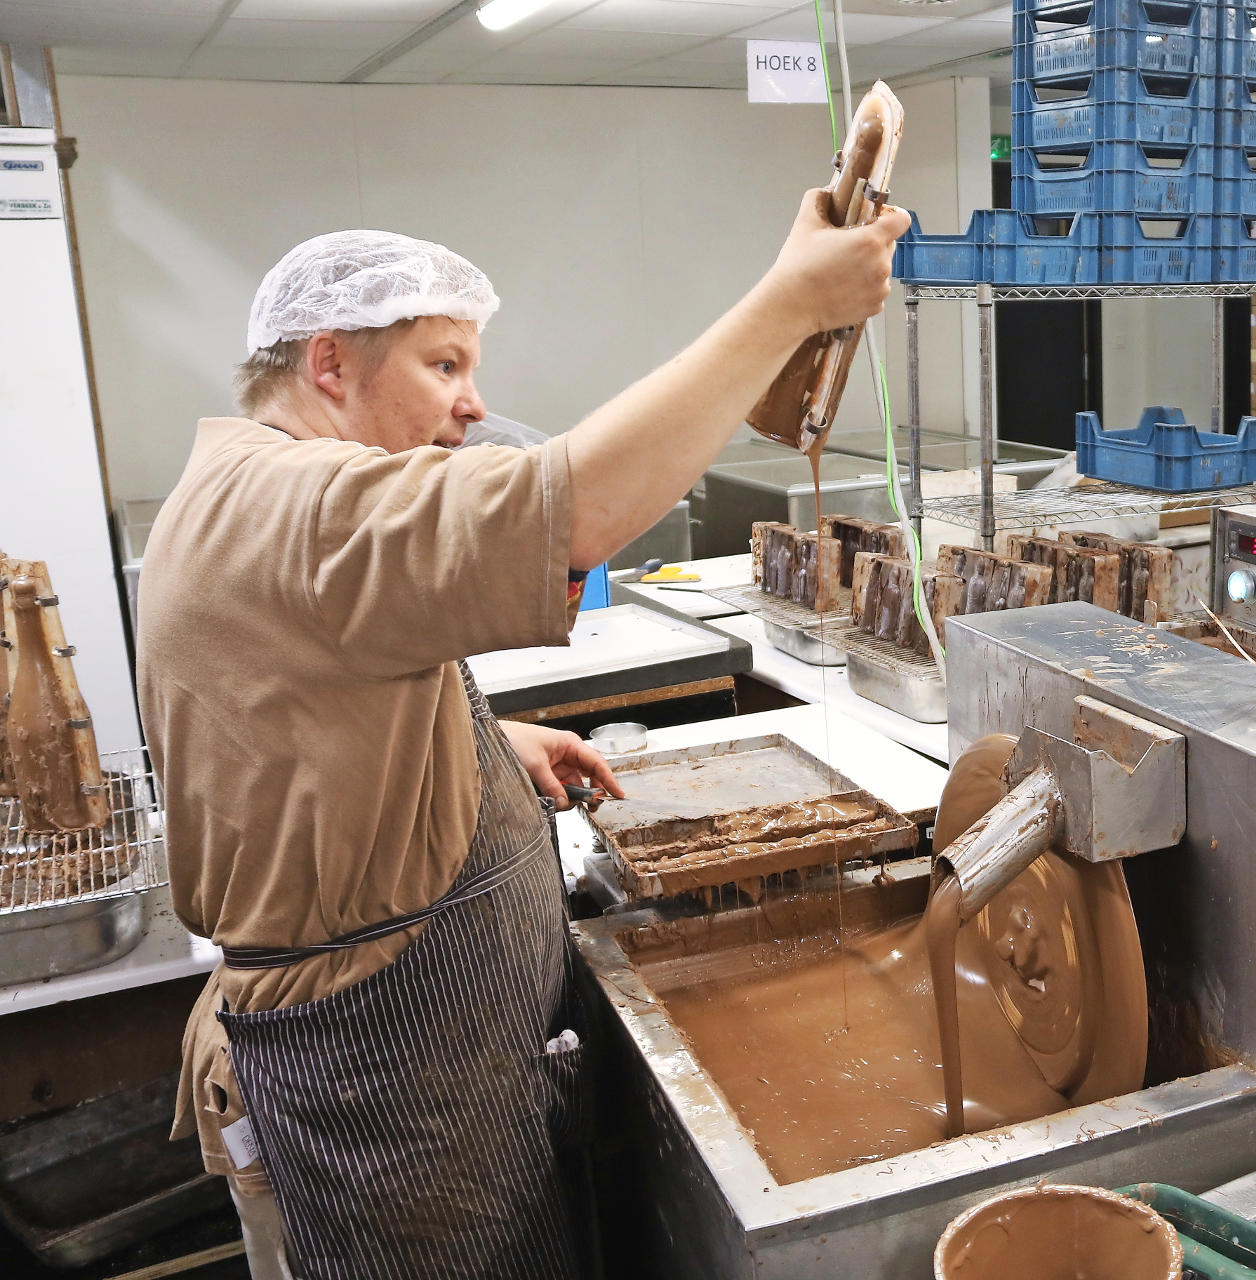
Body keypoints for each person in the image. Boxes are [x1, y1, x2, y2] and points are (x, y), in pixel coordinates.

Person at [137, 192, 908, 1280]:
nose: (471, 403)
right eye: (443, 365)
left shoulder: (247, 486)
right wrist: (791, 304)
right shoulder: (301, 501)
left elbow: (298, 715)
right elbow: (576, 507)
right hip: (390, 1082)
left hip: (416, 1057)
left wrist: (485, 741)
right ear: (328, 364)